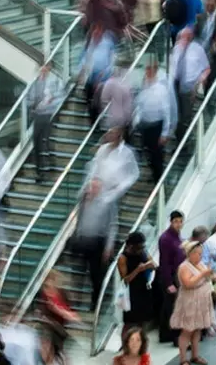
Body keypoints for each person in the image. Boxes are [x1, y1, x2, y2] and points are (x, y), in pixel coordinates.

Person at [73, 127, 140, 308]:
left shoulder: (107, 202)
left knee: (97, 273)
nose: (92, 188)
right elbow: (80, 218)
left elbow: (112, 225)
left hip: (99, 240)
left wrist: (109, 246)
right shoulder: (84, 200)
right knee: (80, 270)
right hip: (84, 239)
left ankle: (96, 302)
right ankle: (78, 299)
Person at [170, 240, 216, 365]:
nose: (199, 256)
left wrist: (213, 275)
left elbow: (206, 276)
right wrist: (203, 274)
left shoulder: (200, 263)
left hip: (201, 301)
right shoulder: (184, 267)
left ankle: (195, 356)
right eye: (197, 254)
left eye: (201, 254)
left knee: (197, 330)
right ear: (189, 254)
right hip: (190, 301)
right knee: (187, 331)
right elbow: (188, 283)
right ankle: (183, 359)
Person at [135, 60, 174, 183]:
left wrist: (164, 133)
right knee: (148, 152)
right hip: (145, 125)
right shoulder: (144, 86)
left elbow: (166, 111)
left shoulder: (161, 89)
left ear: (155, 70)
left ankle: (159, 178)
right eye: (147, 69)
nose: (148, 72)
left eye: (150, 69)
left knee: (157, 154)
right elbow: (140, 104)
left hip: (157, 125)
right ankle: (154, 174)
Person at [171, 27, 210, 139]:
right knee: (177, 112)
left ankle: (182, 139)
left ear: (191, 37)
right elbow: (173, 67)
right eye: (182, 37)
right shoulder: (177, 49)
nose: (184, 39)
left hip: (190, 85)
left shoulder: (198, 49)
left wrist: (199, 82)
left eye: (187, 37)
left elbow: (207, 68)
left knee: (185, 115)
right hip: (176, 84)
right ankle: (180, 134)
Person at [29, 63, 65, 180]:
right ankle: (38, 170)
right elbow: (29, 98)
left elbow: (60, 97)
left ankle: (50, 163)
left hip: (49, 114)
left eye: (45, 67)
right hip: (38, 115)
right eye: (41, 67)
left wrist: (49, 104)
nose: (43, 69)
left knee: (47, 140)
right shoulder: (35, 82)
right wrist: (33, 106)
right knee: (36, 141)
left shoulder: (55, 80)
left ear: (49, 68)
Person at [117, 232, 156, 337]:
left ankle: (139, 344)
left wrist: (150, 266)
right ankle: (126, 346)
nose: (141, 249)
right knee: (129, 322)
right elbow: (125, 280)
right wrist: (138, 270)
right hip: (131, 293)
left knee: (142, 321)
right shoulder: (123, 258)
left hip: (143, 289)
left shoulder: (143, 252)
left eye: (143, 246)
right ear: (131, 246)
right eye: (139, 247)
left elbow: (153, 264)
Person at [158, 210, 185, 345]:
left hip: (177, 274)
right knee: (171, 308)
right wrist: (169, 282)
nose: (178, 224)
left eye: (180, 221)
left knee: (169, 307)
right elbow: (165, 262)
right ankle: (173, 336)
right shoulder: (166, 238)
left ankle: (166, 335)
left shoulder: (176, 236)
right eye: (176, 222)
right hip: (170, 276)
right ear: (171, 222)